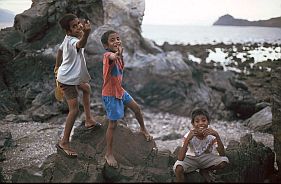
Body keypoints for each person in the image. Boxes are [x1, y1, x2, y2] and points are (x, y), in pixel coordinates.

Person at [100, 30, 153, 168]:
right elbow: (111, 57)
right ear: (106, 45)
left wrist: (120, 55)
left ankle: (143, 129)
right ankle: (109, 153)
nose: (117, 41)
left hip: (120, 91)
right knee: (113, 125)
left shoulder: (120, 57)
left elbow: (117, 60)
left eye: (118, 38)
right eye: (112, 40)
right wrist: (116, 54)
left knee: (136, 108)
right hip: (110, 94)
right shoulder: (107, 56)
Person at [54, 13, 101, 158]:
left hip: (71, 76)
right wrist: (86, 33)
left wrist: (56, 66)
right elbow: (81, 44)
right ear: (68, 31)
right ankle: (64, 142)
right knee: (74, 110)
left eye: (78, 23)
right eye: (74, 26)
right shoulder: (73, 41)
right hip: (67, 80)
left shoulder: (67, 39)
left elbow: (60, 50)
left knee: (86, 88)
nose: (79, 26)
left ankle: (88, 119)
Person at [173, 108, 229, 182]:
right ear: (193, 124)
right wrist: (187, 140)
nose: (201, 123)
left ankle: (205, 170)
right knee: (178, 168)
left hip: (206, 158)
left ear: (208, 122)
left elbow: (222, 154)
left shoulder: (212, 135)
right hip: (191, 158)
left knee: (224, 161)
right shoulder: (189, 135)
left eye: (204, 120)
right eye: (197, 121)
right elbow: (180, 158)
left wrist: (217, 136)